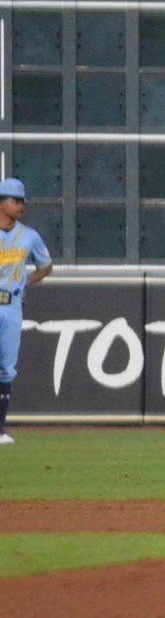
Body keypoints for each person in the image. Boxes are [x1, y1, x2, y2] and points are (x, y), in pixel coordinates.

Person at [0, 177, 54, 445]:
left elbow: (46, 266)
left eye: (22, 201)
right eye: (15, 200)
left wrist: (25, 282)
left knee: (6, 368)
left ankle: (0, 429)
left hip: (11, 304)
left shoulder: (29, 235)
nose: (21, 205)